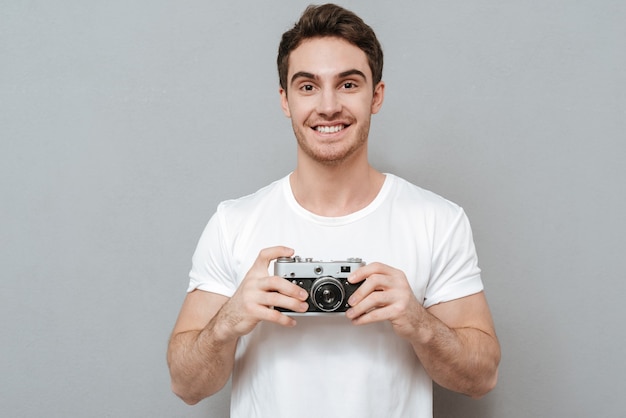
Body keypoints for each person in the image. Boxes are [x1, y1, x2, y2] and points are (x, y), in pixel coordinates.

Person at [167, 4, 500, 417]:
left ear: (376, 95)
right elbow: (186, 385)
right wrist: (229, 319)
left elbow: (482, 378)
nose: (328, 107)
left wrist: (419, 323)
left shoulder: (438, 221)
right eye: (307, 86)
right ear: (285, 100)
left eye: (348, 84)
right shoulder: (233, 223)